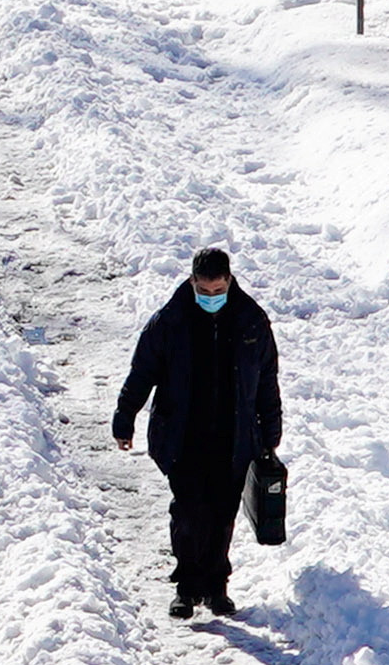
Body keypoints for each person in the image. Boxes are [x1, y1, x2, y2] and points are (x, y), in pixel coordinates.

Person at [111, 245, 284, 619]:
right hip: (182, 436)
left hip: (233, 435)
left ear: (229, 281)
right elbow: (143, 372)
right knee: (189, 512)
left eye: (217, 291)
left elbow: (266, 379)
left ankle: (216, 586)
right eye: (203, 291)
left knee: (222, 514)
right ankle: (187, 588)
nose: (210, 298)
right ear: (192, 281)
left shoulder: (252, 321)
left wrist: (270, 436)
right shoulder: (170, 322)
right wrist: (125, 418)